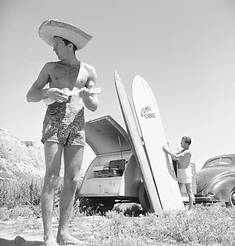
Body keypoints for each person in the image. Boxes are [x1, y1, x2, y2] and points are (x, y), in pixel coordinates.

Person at [26, 19, 99, 246]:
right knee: (51, 176)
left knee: (72, 179)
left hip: (77, 125)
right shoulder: (49, 68)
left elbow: (95, 104)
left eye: (57, 44)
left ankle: (63, 233)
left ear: (69, 45)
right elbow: (30, 95)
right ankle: (48, 236)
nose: (53, 49)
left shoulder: (88, 71)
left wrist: (88, 99)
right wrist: (48, 91)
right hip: (54, 123)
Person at [163, 136, 195, 211]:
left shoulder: (187, 152)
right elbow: (174, 153)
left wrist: (166, 150)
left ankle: (190, 209)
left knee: (189, 191)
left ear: (187, 143)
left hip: (185, 172)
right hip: (180, 172)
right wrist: (168, 146)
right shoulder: (182, 150)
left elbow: (176, 156)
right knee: (178, 190)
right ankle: (177, 207)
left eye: (182, 142)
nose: (180, 143)